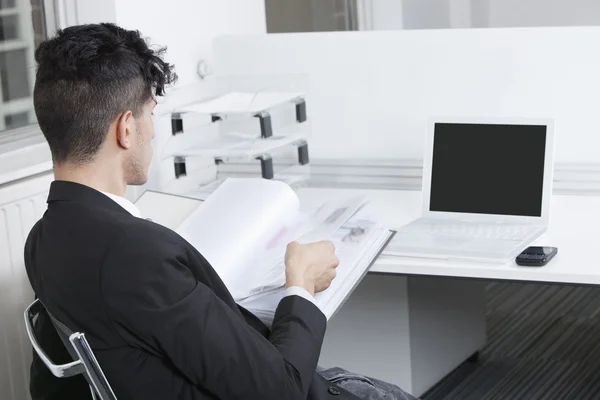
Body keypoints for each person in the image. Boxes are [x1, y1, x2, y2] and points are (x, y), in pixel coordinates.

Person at [24, 23, 419, 400]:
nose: (153, 131)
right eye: (151, 113)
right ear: (125, 128)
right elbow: (279, 391)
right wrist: (301, 285)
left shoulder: (43, 239)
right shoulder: (134, 252)